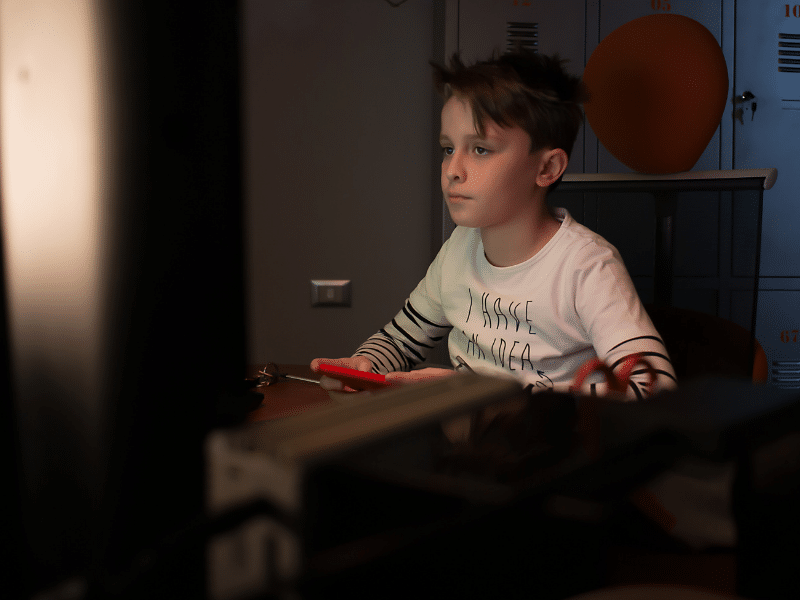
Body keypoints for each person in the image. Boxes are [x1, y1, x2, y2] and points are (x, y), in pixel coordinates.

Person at [311, 49, 676, 399]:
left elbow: (653, 389)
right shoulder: (460, 247)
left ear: (546, 168)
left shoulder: (587, 266)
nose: (453, 171)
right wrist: (364, 365)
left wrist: (485, 394)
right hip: (469, 452)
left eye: (480, 149)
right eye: (448, 148)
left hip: (551, 455)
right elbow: (399, 340)